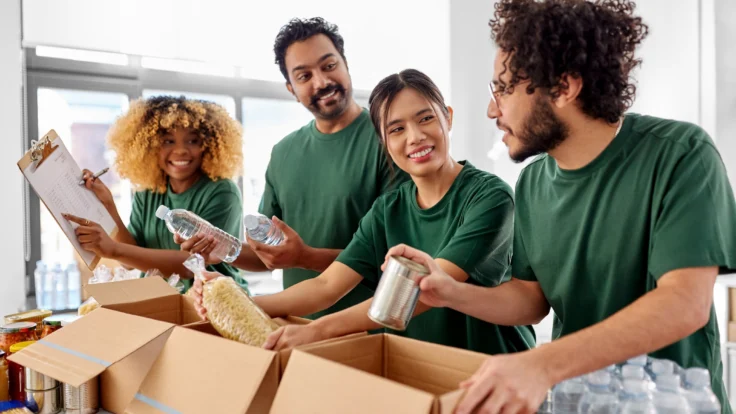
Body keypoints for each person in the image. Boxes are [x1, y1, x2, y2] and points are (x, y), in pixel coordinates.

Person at [385, 1, 736, 413]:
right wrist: (453, 293)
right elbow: (531, 300)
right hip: (581, 402)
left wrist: (541, 364)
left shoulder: (680, 154)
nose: (491, 109)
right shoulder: (533, 182)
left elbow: (684, 304)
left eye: (504, 89)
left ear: (564, 88)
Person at [193, 69, 536, 355]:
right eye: (397, 129)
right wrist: (234, 298)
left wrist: (322, 329)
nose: (415, 137)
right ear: (384, 140)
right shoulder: (388, 209)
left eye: (426, 119)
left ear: (447, 117)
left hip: (486, 368)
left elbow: (422, 292)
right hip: (413, 366)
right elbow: (327, 285)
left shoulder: (488, 197)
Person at [179, 17, 408, 319]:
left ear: (346, 64)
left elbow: (399, 260)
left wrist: (306, 258)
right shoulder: (284, 153)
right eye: (304, 76)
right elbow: (267, 257)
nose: (321, 82)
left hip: (369, 327)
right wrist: (218, 249)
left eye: (328, 66)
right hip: (295, 326)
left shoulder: (389, 140)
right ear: (291, 87)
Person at [64, 95, 245, 292]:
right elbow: (129, 261)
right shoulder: (148, 191)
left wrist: (113, 249)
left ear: (208, 145)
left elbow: (190, 265)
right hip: (162, 302)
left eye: (192, 140)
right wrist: (108, 205)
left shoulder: (222, 192)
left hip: (215, 302)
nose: (181, 150)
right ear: (150, 145)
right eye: (168, 141)